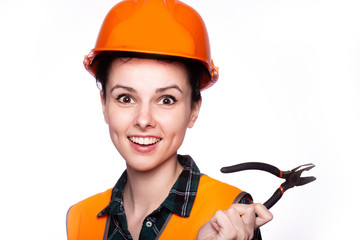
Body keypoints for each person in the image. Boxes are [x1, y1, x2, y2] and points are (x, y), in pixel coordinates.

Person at [66, 0, 273, 239]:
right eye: (125, 98)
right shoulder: (80, 218)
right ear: (104, 104)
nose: (143, 120)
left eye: (166, 100)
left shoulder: (230, 216)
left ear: (194, 109)